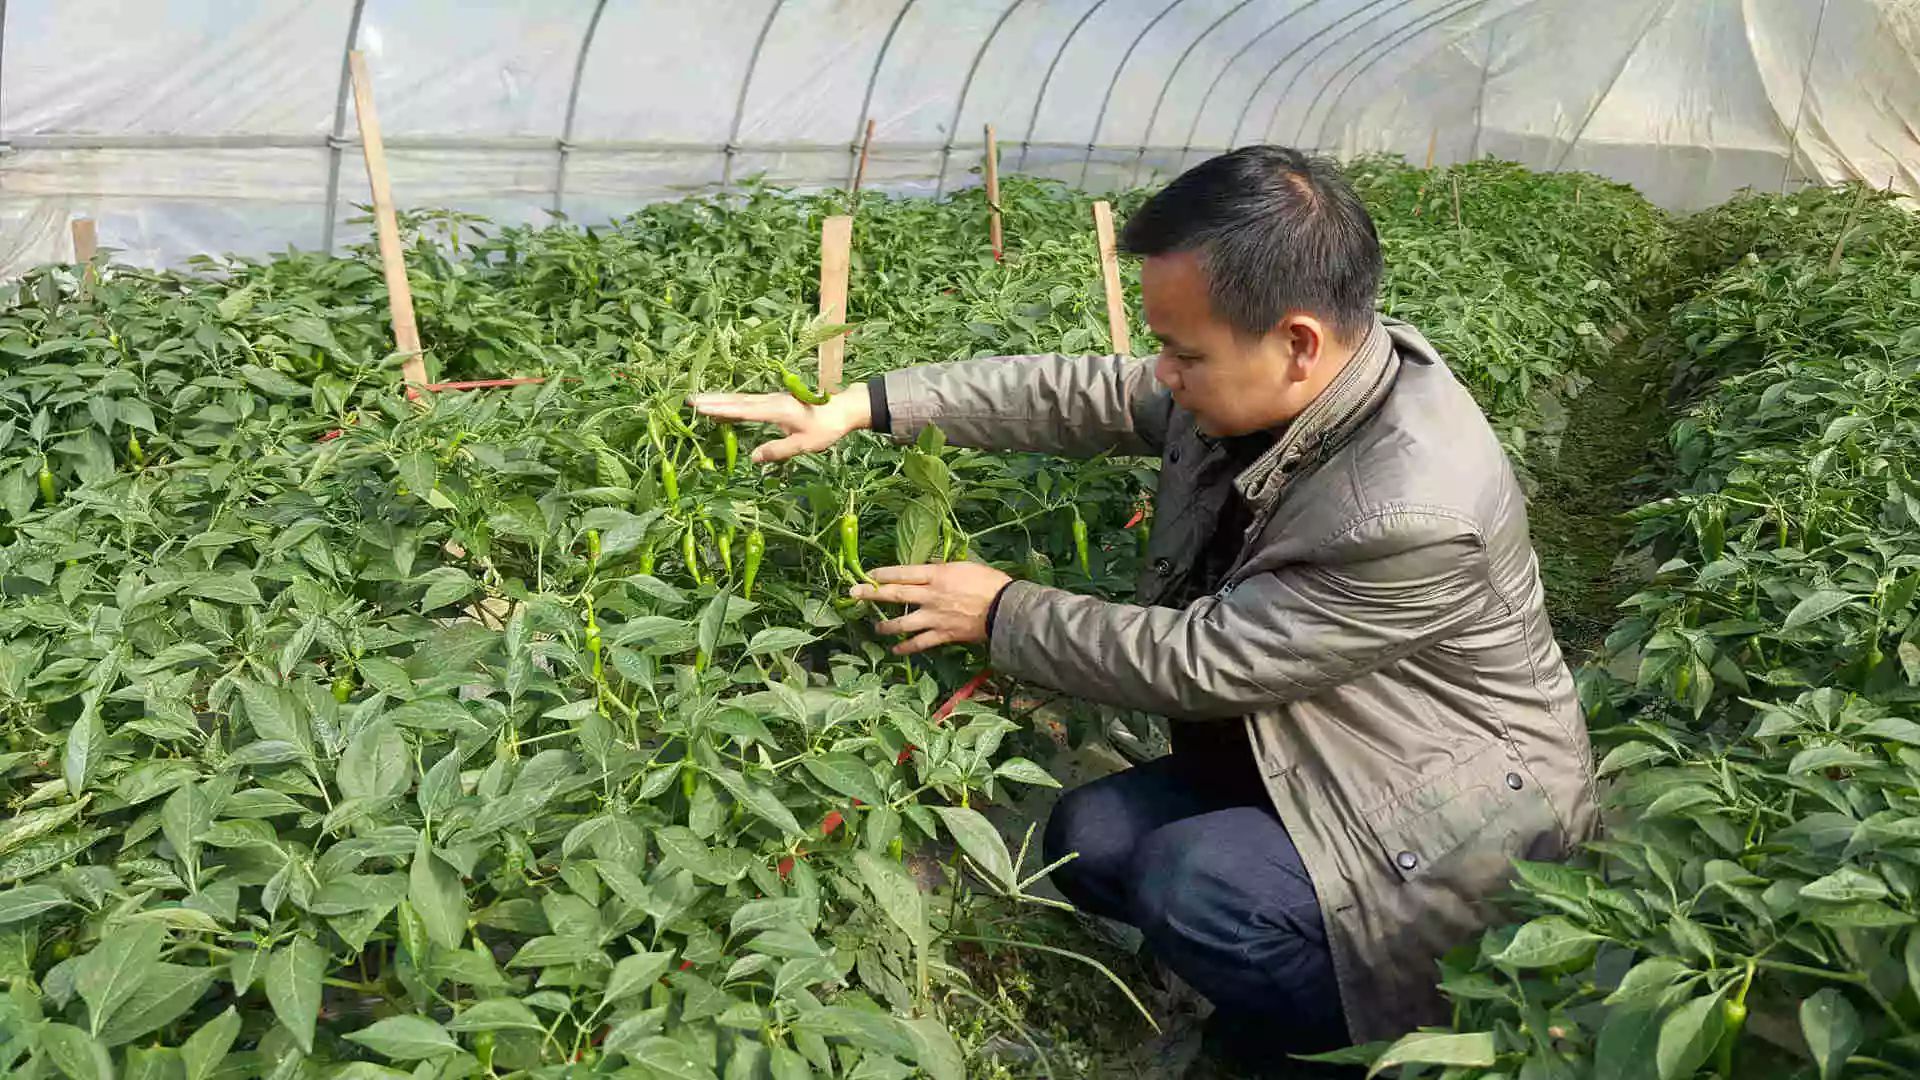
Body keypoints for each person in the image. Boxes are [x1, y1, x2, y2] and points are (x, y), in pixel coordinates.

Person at [691, 146, 1597, 1072]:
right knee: (1089, 841)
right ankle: (1282, 976)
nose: (1160, 372)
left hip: (1450, 820)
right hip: (1331, 746)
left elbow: (1206, 662)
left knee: (1194, 886)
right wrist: (863, 406)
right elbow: (1087, 391)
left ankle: (1364, 1039)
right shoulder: (1301, 376)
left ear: (1296, 341)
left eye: (1183, 352)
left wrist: (1002, 612)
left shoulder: (1410, 508)